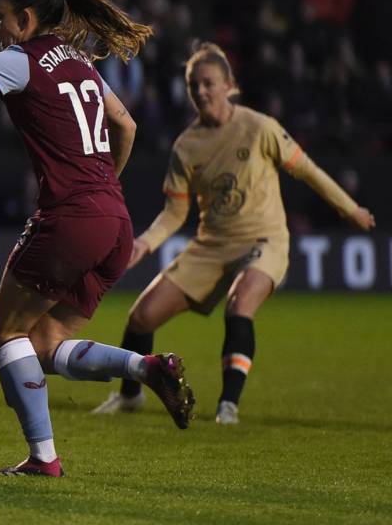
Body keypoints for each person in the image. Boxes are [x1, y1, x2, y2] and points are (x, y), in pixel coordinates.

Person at [0, 0, 194, 477]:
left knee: (7, 331)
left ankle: (43, 458)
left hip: (70, 218)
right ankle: (147, 367)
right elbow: (125, 124)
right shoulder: (82, 63)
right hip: (114, 219)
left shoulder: (16, 60)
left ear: (25, 17)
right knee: (43, 345)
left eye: (1, 18)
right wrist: (106, 182)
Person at [93, 42, 376, 424]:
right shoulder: (186, 146)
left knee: (240, 305)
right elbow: (176, 213)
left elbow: (307, 170)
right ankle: (130, 397)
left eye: (209, 83)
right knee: (141, 317)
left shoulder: (260, 128)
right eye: (195, 86)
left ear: (229, 84)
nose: (202, 92)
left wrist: (350, 209)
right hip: (211, 245)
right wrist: (145, 242)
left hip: (264, 241)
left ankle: (228, 406)